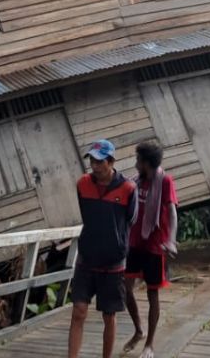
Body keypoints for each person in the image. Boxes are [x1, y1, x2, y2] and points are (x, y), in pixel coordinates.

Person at [69, 139, 138, 358]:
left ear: (111, 161)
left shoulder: (128, 188)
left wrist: (116, 243)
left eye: (99, 161)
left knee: (109, 316)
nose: (95, 166)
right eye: (92, 160)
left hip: (113, 263)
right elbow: (86, 214)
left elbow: (131, 219)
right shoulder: (82, 184)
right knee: (78, 311)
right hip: (86, 259)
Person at [122, 141, 178, 358]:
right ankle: (138, 330)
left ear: (146, 163)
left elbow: (172, 212)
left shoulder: (165, 181)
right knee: (125, 286)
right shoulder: (137, 181)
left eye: (138, 161)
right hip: (135, 242)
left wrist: (171, 240)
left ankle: (149, 345)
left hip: (154, 245)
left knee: (152, 292)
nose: (135, 164)